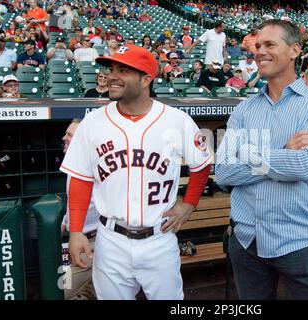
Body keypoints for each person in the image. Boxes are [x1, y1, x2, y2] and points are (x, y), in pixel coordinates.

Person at [61, 44, 212, 300]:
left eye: (123, 70)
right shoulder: (92, 123)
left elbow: (202, 163)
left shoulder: (176, 120)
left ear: (146, 79)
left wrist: (189, 204)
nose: (112, 76)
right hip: (110, 239)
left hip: (159, 238)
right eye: (111, 69)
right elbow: (80, 179)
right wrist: (76, 231)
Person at [215, 19, 308, 300]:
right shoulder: (243, 110)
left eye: (270, 44)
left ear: (294, 50)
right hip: (246, 240)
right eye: (258, 45)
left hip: (298, 240)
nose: (260, 51)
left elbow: (304, 165)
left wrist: (246, 154)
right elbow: (223, 172)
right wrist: (283, 151)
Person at [61, 119, 99, 300]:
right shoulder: (74, 165)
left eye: (69, 135)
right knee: (91, 294)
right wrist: (65, 221)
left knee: (62, 289)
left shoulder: (93, 168)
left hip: (91, 243)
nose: (64, 138)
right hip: (82, 240)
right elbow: (76, 203)